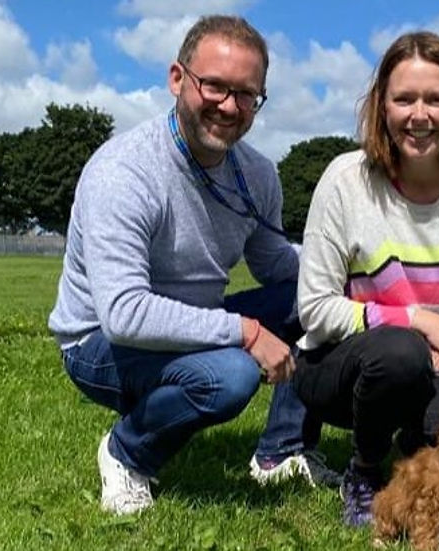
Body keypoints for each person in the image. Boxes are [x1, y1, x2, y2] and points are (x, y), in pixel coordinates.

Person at [47, 15, 334, 515]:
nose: (229, 106)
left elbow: (272, 263)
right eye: (215, 86)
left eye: (246, 94)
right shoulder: (124, 173)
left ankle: (281, 453)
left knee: (317, 298)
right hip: (101, 341)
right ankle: (125, 454)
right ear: (177, 79)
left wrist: (344, 265)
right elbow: (124, 313)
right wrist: (244, 331)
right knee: (230, 377)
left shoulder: (258, 173)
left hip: (191, 317)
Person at [288, 30, 439, 526]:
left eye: (436, 99)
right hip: (343, 363)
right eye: (404, 99)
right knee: (400, 352)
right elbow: (314, 307)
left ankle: (413, 456)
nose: (420, 115)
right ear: (381, 106)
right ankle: (365, 468)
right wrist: (419, 321)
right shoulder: (345, 181)